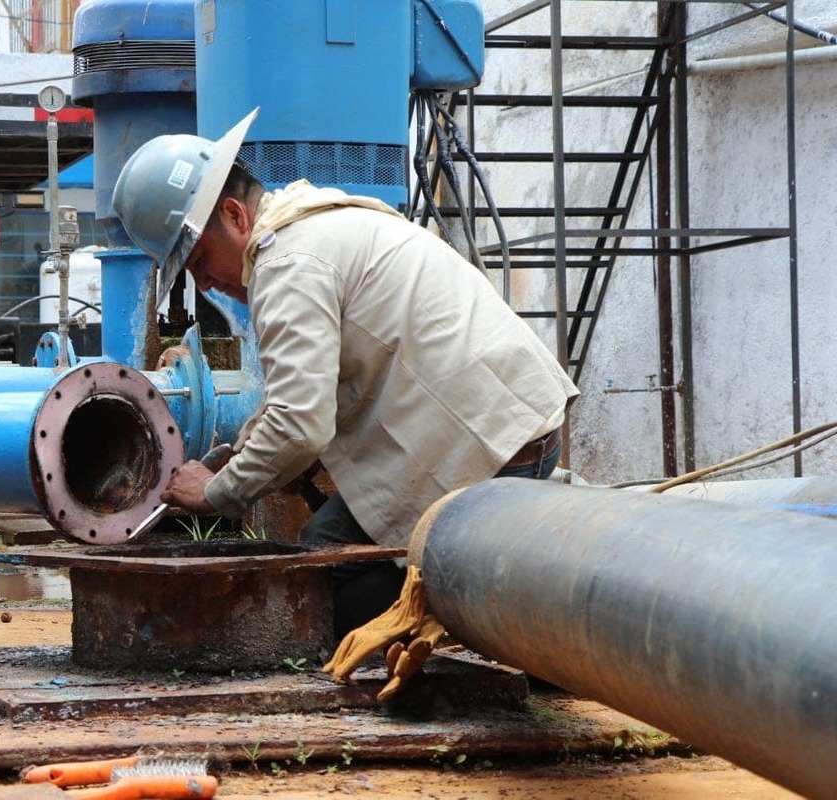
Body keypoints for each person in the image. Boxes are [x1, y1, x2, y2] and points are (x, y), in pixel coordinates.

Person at [112, 110, 579, 637]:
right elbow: (303, 393)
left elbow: (301, 424)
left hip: (494, 453)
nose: (209, 282)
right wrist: (239, 454)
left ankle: (502, 621)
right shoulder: (315, 225)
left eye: (199, 261)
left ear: (235, 215)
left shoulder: (287, 267)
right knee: (315, 565)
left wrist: (216, 493)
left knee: (312, 602)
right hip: (502, 429)